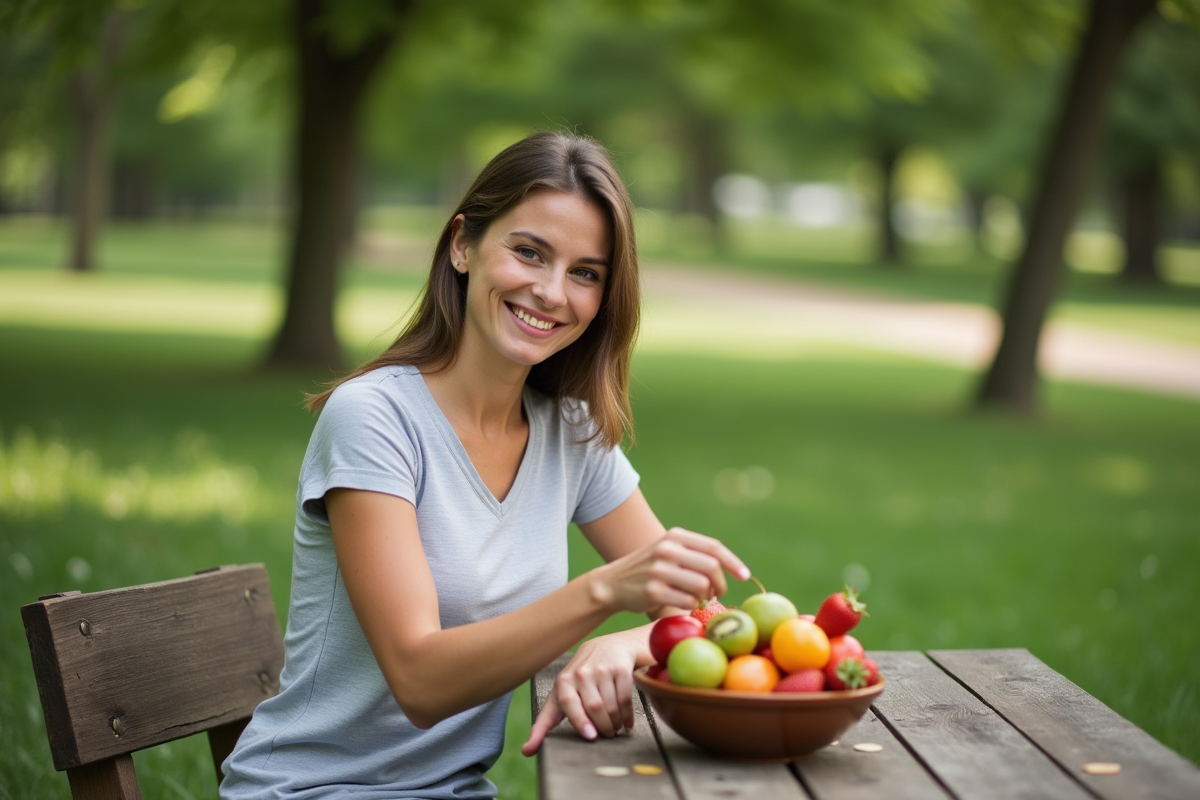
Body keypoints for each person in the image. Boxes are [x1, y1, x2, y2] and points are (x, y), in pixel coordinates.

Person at [219, 130, 749, 800]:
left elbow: (708, 616)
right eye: (530, 253)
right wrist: (603, 595)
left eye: (585, 272)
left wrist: (626, 644)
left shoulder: (572, 433)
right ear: (462, 244)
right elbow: (420, 680)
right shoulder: (374, 419)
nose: (553, 292)